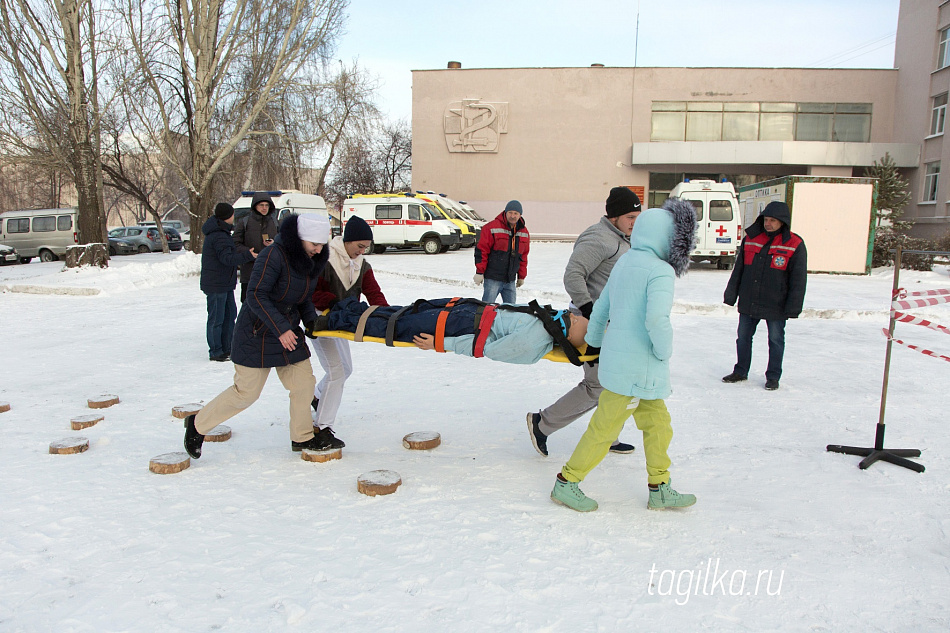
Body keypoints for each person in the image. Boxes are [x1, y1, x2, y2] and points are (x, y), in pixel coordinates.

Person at [550, 198, 698, 512]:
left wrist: (592, 340)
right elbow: (657, 320)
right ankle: (567, 482)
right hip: (638, 370)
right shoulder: (660, 272)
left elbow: (601, 307)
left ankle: (660, 486)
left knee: (659, 425)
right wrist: (664, 351)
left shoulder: (626, 261)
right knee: (605, 430)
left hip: (624, 366)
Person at [183, 213, 332, 459]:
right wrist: (281, 328)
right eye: (313, 244)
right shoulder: (273, 255)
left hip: (287, 330)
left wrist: (311, 323)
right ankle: (197, 424)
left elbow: (304, 296)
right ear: (300, 238)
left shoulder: (311, 260)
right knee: (246, 393)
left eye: (321, 244)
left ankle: (302, 437)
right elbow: (255, 295)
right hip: (257, 330)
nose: (318, 250)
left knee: (303, 384)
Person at [527, 186, 642, 457]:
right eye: (630, 218)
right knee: (597, 385)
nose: (635, 223)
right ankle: (541, 424)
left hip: (615, 324)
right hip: (593, 324)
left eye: (638, 217)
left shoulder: (622, 237)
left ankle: (607, 434)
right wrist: (592, 311)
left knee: (619, 382)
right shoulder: (598, 237)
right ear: (614, 216)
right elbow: (573, 276)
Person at [310, 296, 589, 365]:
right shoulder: (549, 317)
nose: (574, 314)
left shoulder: (533, 345)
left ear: (571, 333)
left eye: (577, 319)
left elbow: (485, 349)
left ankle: (331, 323)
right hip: (469, 309)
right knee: (403, 311)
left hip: (459, 326)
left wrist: (441, 343)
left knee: (392, 328)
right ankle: (345, 310)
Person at [309, 215, 389, 449]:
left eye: (366, 247)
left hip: (341, 323)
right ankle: (321, 428)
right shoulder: (325, 259)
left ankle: (315, 397)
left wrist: (386, 314)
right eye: (359, 246)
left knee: (345, 369)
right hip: (319, 320)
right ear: (347, 240)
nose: (362, 251)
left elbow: (374, 292)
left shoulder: (362, 265)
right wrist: (336, 303)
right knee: (336, 372)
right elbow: (313, 293)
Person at [722, 200, 807, 391]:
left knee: (776, 340)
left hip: (776, 304)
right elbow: (739, 270)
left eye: (773, 221)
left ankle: (773, 377)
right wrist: (731, 294)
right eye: (766, 219)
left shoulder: (795, 244)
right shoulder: (751, 239)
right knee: (743, 337)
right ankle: (740, 371)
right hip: (749, 300)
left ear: (782, 222)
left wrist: (794, 306)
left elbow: (798, 280)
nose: (768, 223)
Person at [200, 202, 257, 361]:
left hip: (223, 283)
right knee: (217, 318)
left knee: (229, 315)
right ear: (228, 216)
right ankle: (216, 351)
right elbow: (227, 258)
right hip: (216, 284)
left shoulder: (221, 232)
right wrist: (248, 256)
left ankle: (227, 348)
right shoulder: (219, 235)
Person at [473, 200, 529, 303]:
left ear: (520, 215)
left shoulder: (524, 232)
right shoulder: (491, 227)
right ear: (505, 212)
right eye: (510, 212)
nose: (513, 216)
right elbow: (482, 250)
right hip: (493, 279)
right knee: (487, 310)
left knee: (511, 311)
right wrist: (479, 272)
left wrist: (521, 276)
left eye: (516, 213)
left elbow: (523, 256)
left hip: (510, 280)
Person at [233, 192, 279, 303]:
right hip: (250, 271)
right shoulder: (244, 222)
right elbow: (235, 243)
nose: (264, 208)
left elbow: (283, 243)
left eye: (266, 205)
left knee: (268, 305)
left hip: (270, 271)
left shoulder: (275, 222)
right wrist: (248, 253)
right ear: (255, 206)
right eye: (261, 205)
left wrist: (274, 243)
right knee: (249, 305)